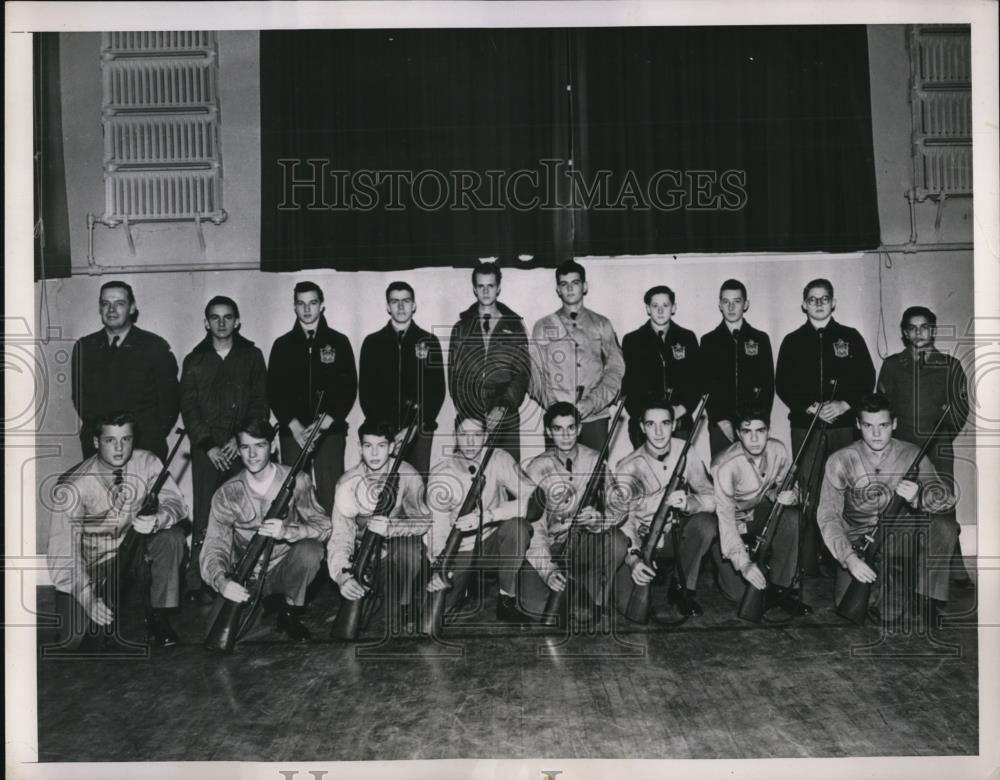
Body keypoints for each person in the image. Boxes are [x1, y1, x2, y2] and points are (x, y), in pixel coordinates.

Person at [47, 413, 188, 650]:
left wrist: (158, 519)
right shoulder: (74, 487)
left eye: (126, 439)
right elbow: (62, 552)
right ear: (95, 442)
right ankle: (109, 602)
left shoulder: (148, 462)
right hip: (93, 564)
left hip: (137, 553)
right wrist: (87, 598)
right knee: (72, 640)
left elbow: (176, 503)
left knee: (171, 537)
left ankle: (158, 617)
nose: (120, 448)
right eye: (111, 440)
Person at [817, 393, 956, 625]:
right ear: (858, 425)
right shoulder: (839, 460)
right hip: (857, 541)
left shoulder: (913, 454)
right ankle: (892, 581)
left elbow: (947, 500)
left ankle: (927, 599)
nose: (876, 433)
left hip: (897, 537)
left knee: (945, 526)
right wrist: (849, 558)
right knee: (848, 606)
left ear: (894, 424)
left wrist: (919, 497)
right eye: (868, 426)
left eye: (883, 425)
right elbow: (827, 516)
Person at [775, 278, 875, 575]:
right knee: (809, 493)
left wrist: (845, 405)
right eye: (813, 298)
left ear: (833, 302)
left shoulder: (850, 337)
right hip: (806, 427)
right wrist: (811, 406)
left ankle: (843, 558)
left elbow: (866, 378)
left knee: (844, 492)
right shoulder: (792, 341)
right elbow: (783, 383)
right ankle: (808, 564)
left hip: (843, 428)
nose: (818, 303)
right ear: (804, 303)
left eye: (824, 298)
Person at [201, 417, 330, 642]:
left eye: (259, 445)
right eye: (245, 447)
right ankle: (263, 604)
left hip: (283, 568)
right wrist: (222, 582)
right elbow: (214, 545)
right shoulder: (227, 493)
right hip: (246, 575)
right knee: (219, 634)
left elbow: (325, 526)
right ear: (238, 451)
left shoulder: (298, 480)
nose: (252, 455)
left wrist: (291, 532)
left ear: (272, 447)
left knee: (311, 551)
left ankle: (289, 609)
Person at [179, 296, 268, 603]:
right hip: (207, 452)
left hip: (242, 449)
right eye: (214, 318)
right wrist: (209, 446)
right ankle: (198, 581)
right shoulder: (194, 360)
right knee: (205, 512)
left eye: (227, 317)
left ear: (237, 321)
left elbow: (260, 404)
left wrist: (237, 442)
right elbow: (188, 409)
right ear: (206, 322)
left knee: (246, 511)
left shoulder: (252, 356)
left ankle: (246, 577)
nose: (221, 323)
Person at [877, 305, 972, 586]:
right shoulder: (892, 365)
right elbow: (883, 406)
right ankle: (900, 566)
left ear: (933, 330)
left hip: (937, 448)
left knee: (942, 505)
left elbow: (961, 407)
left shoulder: (950, 365)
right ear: (905, 333)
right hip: (902, 448)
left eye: (924, 326)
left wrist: (943, 437)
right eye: (912, 327)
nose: (919, 332)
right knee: (900, 504)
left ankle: (954, 568)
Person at [425, 413, 538, 624]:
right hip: (459, 550)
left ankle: (506, 599)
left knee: (518, 528)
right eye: (464, 434)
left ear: (486, 436)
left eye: (476, 434)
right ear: (455, 435)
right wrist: (440, 567)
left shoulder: (499, 457)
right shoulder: (441, 474)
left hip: (492, 541)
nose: (470, 442)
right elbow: (436, 531)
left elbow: (535, 500)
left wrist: (490, 515)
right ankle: (465, 587)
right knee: (437, 617)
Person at [520, 402, 628, 625]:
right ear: (549, 432)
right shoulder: (536, 468)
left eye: (571, 427)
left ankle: (593, 596)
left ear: (579, 429)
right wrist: (547, 570)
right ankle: (572, 588)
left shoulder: (595, 460)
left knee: (617, 541)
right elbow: (535, 526)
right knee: (534, 607)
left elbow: (620, 506)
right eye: (558, 429)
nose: (566, 435)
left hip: (583, 543)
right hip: (549, 545)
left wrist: (599, 520)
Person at [612, 400, 717, 619]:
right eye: (651, 424)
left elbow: (712, 498)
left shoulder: (687, 452)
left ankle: (682, 588)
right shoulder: (628, 466)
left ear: (675, 424)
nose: (659, 431)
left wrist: (691, 502)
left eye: (665, 423)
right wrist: (633, 559)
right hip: (639, 541)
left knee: (706, 524)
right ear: (642, 427)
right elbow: (624, 522)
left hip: (673, 537)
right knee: (631, 611)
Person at [328, 420, 431, 628]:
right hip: (362, 558)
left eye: (381, 446)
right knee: (362, 621)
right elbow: (340, 536)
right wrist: (342, 576)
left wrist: (391, 528)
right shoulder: (347, 483)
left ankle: (405, 604)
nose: (374, 453)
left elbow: (424, 522)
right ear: (359, 448)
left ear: (392, 447)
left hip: (396, 554)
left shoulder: (408, 474)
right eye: (368, 446)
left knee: (409, 551)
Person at [711, 405, 812, 616]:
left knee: (792, 517)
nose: (755, 439)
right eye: (747, 432)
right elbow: (725, 518)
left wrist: (789, 495)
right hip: (727, 525)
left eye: (761, 431)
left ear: (768, 431)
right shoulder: (724, 465)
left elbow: (787, 484)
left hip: (758, 514)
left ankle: (782, 587)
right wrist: (744, 564)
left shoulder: (778, 450)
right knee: (740, 595)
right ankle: (721, 570)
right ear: (738, 434)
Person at [267, 281, 358, 514]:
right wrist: (294, 425)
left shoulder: (339, 342)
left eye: (313, 303)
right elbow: (275, 390)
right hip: (293, 433)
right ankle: (299, 547)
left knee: (331, 493)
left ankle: (333, 548)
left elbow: (347, 387)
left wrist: (324, 423)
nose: (307, 309)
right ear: (294, 307)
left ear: (322, 305)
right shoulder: (282, 345)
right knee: (295, 493)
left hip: (328, 431)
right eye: (301, 303)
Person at [71, 281, 180, 461]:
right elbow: (80, 398)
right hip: (99, 443)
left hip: (144, 444)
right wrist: (101, 431)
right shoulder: (84, 347)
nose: (111, 310)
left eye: (119, 303)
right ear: (100, 308)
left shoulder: (155, 346)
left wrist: (148, 433)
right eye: (105, 304)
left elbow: (170, 402)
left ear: (132, 308)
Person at [528, 260, 625, 452]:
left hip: (594, 416)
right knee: (557, 476)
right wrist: (554, 406)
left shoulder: (602, 324)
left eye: (575, 282)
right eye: (564, 284)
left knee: (595, 476)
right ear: (558, 289)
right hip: (558, 420)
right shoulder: (543, 326)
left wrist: (593, 401)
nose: (570, 288)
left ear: (585, 286)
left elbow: (616, 369)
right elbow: (534, 373)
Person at [358, 281, 446, 479]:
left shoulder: (429, 341)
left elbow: (437, 391)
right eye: (394, 301)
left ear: (414, 305)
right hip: (382, 433)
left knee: (416, 487)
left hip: (419, 430)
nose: (400, 306)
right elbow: (366, 393)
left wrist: (414, 426)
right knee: (381, 487)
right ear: (387, 306)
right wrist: (385, 432)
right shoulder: (372, 343)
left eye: (405, 301)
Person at [447, 261, 531, 460]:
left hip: (505, 413)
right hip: (470, 414)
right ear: (474, 289)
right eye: (481, 286)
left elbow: (522, 373)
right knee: (469, 476)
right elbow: (454, 375)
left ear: (498, 288)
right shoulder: (461, 327)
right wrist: (470, 412)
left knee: (508, 473)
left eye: (490, 286)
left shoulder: (514, 325)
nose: (486, 292)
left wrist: (502, 407)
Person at [699, 279, 775, 457]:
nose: (731, 307)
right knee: (722, 472)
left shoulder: (760, 339)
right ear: (719, 305)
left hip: (753, 425)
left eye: (737, 301)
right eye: (726, 302)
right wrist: (721, 420)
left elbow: (768, 384)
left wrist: (758, 421)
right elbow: (705, 384)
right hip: (721, 425)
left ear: (746, 304)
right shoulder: (709, 341)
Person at [622, 286, 701, 448]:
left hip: (679, 422)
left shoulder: (687, 338)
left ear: (673, 308)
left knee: (678, 470)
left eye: (665, 306)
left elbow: (696, 380)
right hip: (645, 425)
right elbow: (628, 386)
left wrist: (681, 409)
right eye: (655, 306)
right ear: (647, 308)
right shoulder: (632, 340)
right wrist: (645, 416)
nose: (660, 311)